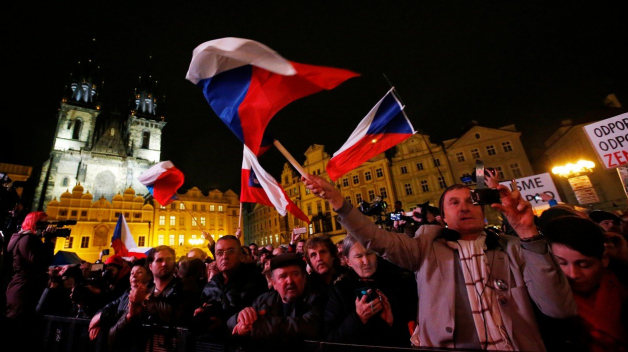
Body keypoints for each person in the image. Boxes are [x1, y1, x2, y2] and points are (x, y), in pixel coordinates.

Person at [303, 174, 577, 351]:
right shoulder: (425, 247)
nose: (464, 207)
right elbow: (376, 238)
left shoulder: (515, 248)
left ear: (482, 211)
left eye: (471, 201)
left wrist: (528, 233)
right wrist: (338, 201)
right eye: (454, 203)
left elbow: (558, 308)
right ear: (443, 217)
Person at [544, 216, 628, 352]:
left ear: (604, 259)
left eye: (584, 265)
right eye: (562, 263)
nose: (573, 274)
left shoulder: (622, 284)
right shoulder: (548, 302)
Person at [324, 234, 417, 346]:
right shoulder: (340, 290)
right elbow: (331, 339)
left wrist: (391, 322)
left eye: (369, 253)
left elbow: (413, 328)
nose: (366, 261)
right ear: (348, 261)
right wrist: (358, 318)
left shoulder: (399, 280)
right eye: (359, 256)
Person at [228, 253, 325, 348]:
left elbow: (310, 327)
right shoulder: (264, 300)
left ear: (304, 278)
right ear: (274, 283)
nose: (290, 281)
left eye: (295, 274)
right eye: (283, 276)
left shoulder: (315, 298)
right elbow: (230, 324)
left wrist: (259, 326)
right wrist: (241, 319)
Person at [194, 235, 268, 339]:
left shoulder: (256, 280)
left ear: (241, 255)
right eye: (220, 253)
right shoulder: (211, 284)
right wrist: (202, 311)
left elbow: (263, 315)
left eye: (231, 251)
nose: (225, 256)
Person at [4, 212, 57, 350]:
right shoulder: (27, 239)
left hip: (20, 287)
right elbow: (40, 262)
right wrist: (49, 242)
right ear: (34, 223)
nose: (45, 227)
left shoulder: (20, 238)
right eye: (43, 223)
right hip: (24, 290)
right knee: (19, 331)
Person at [88, 262, 154, 348]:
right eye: (132, 273)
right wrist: (99, 319)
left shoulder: (150, 296)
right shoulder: (126, 293)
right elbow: (109, 306)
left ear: (148, 277)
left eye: (139, 272)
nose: (134, 276)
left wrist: (102, 317)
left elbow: (126, 315)